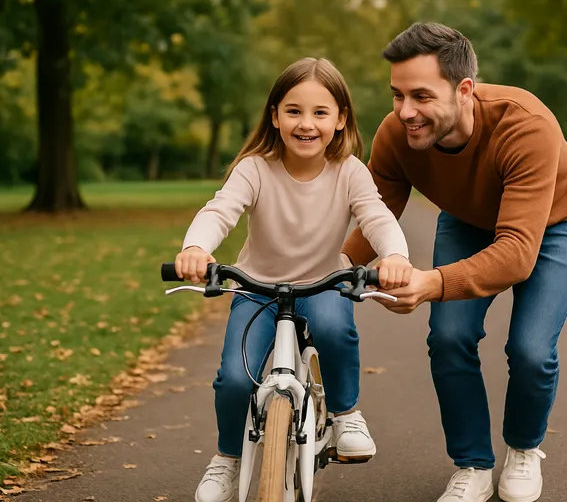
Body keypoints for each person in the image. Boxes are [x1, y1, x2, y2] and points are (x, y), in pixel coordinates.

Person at [341, 23, 567, 502]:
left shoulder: (525, 123)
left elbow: (518, 252)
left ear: (464, 90)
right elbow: (374, 219)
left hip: (553, 223)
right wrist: (327, 272)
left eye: (420, 95)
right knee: (449, 335)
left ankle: (523, 447)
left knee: (531, 350)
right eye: (397, 95)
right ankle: (473, 464)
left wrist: (430, 283)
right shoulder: (396, 135)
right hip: (467, 218)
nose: (405, 112)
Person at [175, 57, 413, 502]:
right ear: (275, 116)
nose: (307, 123)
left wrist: (395, 255)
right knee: (233, 377)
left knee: (334, 328)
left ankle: (345, 415)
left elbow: (377, 217)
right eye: (294, 111)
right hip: (257, 289)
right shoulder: (255, 168)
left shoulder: (349, 172)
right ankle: (228, 459)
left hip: (323, 283)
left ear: (341, 119)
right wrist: (196, 247)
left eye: (321, 113)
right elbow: (221, 210)